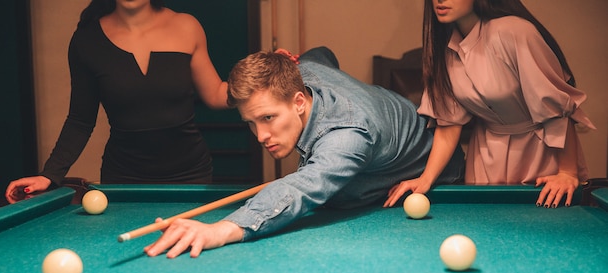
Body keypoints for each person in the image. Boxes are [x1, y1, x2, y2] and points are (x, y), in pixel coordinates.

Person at [144, 47, 465, 259]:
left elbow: (301, 186)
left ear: (299, 102)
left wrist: (221, 229)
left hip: (434, 176)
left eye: (268, 118)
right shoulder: (304, 70)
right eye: (251, 123)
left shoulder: (348, 136)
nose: (261, 136)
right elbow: (321, 53)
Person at [5, 0, 229, 203]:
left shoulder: (187, 26)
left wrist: (259, 82)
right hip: (124, 178)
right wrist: (49, 175)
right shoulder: (86, 40)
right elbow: (80, 121)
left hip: (190, 174)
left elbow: (216, 94)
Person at [384, 0, 595, 209]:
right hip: (485, 161)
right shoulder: (444, 48)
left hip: (541, 155)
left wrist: (567, 173)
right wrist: (425, 179)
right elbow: (449, 124)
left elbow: (556, 108)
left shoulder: (516, 31)